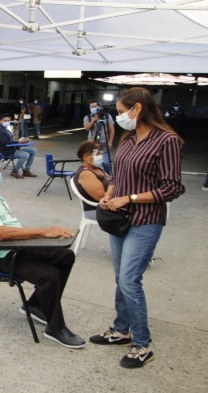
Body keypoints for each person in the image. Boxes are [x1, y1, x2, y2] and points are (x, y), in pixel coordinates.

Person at [91, 87, 185, 368]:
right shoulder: (129, 138)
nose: (119, 118)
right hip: (120, 219)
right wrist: (110, 193)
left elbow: (172, 188)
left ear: (138, 109)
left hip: (146, 220)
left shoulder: (167, 141)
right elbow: (120, 176)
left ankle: (142, 344)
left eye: (121, 112)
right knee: (121, 277)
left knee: (131, 280)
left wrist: (128, 198)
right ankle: (121, 329)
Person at [0, 153, 85, 349]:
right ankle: (55, 327)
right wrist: (44, 232)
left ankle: (35, 305)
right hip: (0, 255)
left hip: (15, 247)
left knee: (65, 256)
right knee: (49, 275)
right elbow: (1, 233)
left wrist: (43, 235)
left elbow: (10, 227)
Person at [0, 114, 37, 179]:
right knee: (25, 155)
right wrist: (19, 142)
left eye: (8, 120)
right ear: (0, 121)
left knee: (33, 150)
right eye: (5, 120)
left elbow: (10, 140)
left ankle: (26, 170)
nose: (7, 122)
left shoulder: (6, 129)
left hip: (13, 148)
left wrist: (21, 140)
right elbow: (5, 142)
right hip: (6, 150)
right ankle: (15, 171)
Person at [74, 141, 111, 212]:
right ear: (86, 157)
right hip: (100, 209)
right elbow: (101, 197)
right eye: (97, 154)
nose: (100, 156)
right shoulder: (85, 174)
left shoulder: (96, 169)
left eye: (100, 153)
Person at [83, 100, 115, 174]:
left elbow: (112, 130)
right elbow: (87, 128)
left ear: (100, 107)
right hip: (91, 145)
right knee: (91, 163)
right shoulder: (87, 117)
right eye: (91, 107)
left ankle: (108, 177)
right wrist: (94, 120)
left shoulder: (107, 116)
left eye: (95, 106)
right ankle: (92, 178)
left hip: (104, 144)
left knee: (106, 163)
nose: (93, 108)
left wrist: (110, 142)